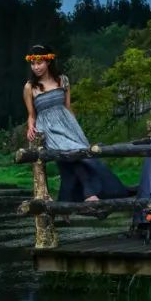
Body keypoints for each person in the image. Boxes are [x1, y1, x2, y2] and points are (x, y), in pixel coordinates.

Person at [23, 45, 126, 203]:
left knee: (76, 160)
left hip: (67, 124)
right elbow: (31, 115)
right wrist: (30, 127)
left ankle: (66, 202)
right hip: (48, 128)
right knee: (72, 156)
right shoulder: (30, 87)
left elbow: (68, 108)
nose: (36, 67)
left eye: (40, 62)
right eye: (33, 63)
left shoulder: (62, 80)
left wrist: (77, 131)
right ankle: (89, 193)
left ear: (48, 62)